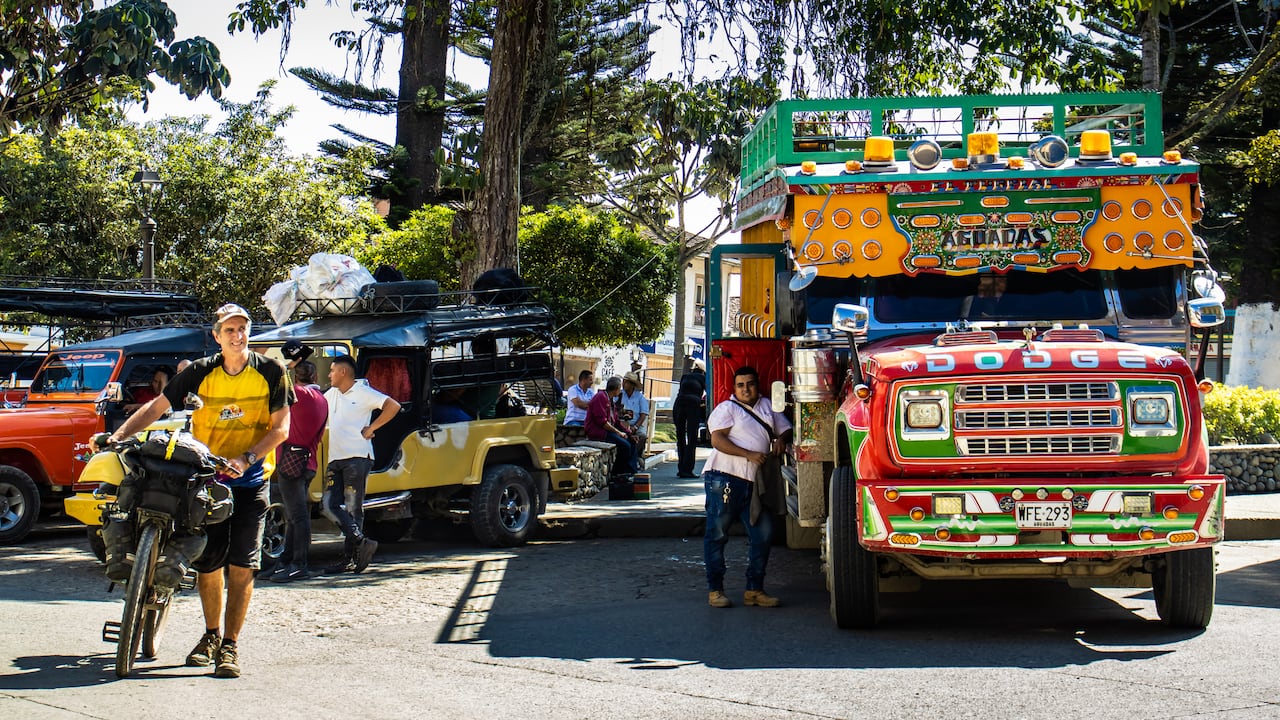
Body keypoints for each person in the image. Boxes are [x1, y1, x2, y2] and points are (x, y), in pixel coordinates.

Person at [100, 303, 294, 679]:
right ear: (217, 336)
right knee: (210, 566)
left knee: (242, 568)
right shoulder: (202, 371)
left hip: (251, 481)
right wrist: (119, 435)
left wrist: (246, 459)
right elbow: (157, 406)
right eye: (230, 330)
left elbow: (281, 429)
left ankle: (230, 646)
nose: (238, 336)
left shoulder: (272, 372)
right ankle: (210, 636)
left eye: (243, 328)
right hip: (206, 481)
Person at [702, 365, 792, 609]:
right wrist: (747, 454)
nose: (745, 389)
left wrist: (780, 440)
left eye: (750, 384)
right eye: (740, 385)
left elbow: (785, 430)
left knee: (763, 535)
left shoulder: (768, 406)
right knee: (717, 534)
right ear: (734, 388)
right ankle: (715, 590)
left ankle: (754, 589)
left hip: (755, 483)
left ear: (757, 384)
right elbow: (717, 439)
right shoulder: (726, 408)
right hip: (725, 479)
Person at [322, 355, 401, 574]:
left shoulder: (363, 392)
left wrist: (372, 427)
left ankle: (351, 557)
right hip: (335, 457)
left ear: (343, 372)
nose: (329, 375)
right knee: (328, 505)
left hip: (357, 456)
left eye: (332, 371)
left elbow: (392, 406)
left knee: (353, 506)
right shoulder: (331, 394)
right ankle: (361, 542)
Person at [266, 359, 327, 584]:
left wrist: (285, 366)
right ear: (316, 377)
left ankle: (298, 563)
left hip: (291, 463)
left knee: (297, 516)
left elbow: (277, 386)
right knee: (295, 515)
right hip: (306, 462)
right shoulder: (320, 398)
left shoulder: (300, 395)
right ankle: (287, 561)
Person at [585, 375, 636, 475]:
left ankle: (631, 471)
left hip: (608, 431)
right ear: (616, 389)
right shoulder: (601, 397)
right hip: (599, 431)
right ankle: (617, 473)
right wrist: (619, 433)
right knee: (625, 446)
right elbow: (602, 422)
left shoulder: (610, 400)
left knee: (631, 441)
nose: (620, 391)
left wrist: (629, 433)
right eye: (620, 388)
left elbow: (616, 421)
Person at [673, 359, 706, 478]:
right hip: (693, 405)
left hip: (679, 404)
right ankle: (688, 469)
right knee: (692, 438)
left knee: (680, 436)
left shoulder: (685, 376)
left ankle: (681, 467)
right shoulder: (703, 378)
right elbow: (707, 395)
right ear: (703, 371)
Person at [618, 371, 650, 455]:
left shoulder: (640, 397)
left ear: (632, 385)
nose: (623, 384)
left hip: (636, 424)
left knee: (642, 436)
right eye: (623, 381)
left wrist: (635, 427)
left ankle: (636, 455)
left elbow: (643, 415)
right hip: (622, 423)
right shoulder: (619, 395)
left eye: (626, 382)